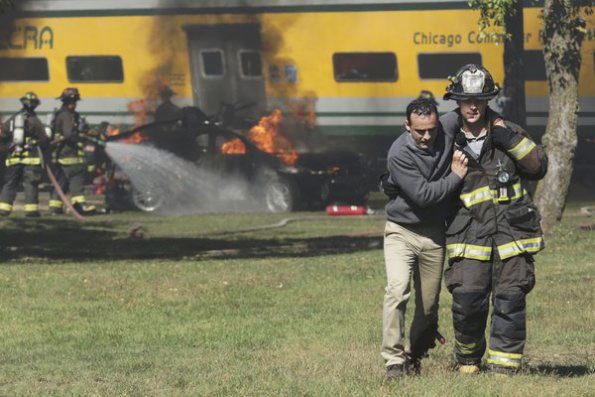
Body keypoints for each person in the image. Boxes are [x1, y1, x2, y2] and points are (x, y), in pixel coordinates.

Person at [440, 64, 548, 375]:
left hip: (511, 235)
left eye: (479, 100)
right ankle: (469, 359)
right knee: (467, 302)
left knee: (510, 301)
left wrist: (509, 140)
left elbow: (538, 167)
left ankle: (504, 369)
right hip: (469, 235)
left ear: (488, 100)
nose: (472, 106)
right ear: (456, 102)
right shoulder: (447, 138)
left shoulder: (508, 131)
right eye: (465, 100)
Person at [381, 98, 468, 379]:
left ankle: (413, 353)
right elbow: (424, 196)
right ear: (407, 126)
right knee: (397, 289)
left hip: (434, 235)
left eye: (431, 129)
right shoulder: (399, 153)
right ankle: (393, 360)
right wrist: (455, 176)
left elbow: (470, 109)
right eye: (420, 131)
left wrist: (501, 124)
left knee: (429, 307)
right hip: (401, 231)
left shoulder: (446, 126)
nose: (427, 137)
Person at [0, 92, 49, 217]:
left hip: (13, 158)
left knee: (10, 183)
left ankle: (3, 209)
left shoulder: (14, 118)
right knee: (30, 184)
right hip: (31, 159)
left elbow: (3, 134)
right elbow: (44, 139)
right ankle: (31, 210)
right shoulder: (35, 121)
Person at [48, 87, 96, 215]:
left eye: (74, 102)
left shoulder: (63, 114)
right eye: (71, 102)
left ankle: (55, 208)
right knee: (77, 177)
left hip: (60, 155)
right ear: (65, 102)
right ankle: (79, 205)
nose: (73, 105)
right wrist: (81, 135)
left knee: (61, 182)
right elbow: (69, 134)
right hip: (69, 154)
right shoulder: (66, 116)